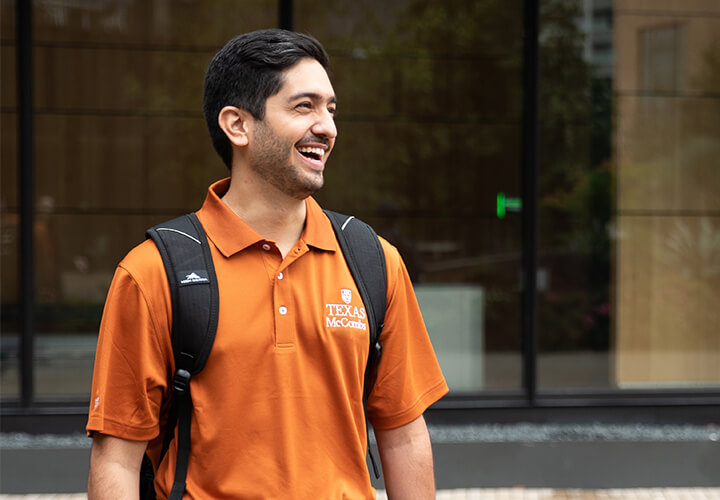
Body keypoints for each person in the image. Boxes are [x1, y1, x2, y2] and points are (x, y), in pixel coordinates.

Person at [86, 29, 448, 499]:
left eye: (331, 108)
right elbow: (116, 458)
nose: (327, 127)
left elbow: (404, 435)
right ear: (238, 125)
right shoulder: (154, 272)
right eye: (304, 106)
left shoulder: (373, 260)